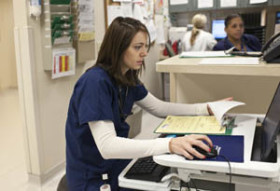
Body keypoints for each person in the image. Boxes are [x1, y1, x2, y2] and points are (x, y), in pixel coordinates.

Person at [65, 17, 232, 191]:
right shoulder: (94, 82)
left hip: (115, 165)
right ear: (118, 47)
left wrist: (204, 108)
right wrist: (169, 145)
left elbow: (160, 108)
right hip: (93, 177)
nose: (144, 53)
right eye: (138, 47)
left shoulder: (127, 78)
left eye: (145, 46)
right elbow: (107, 146)